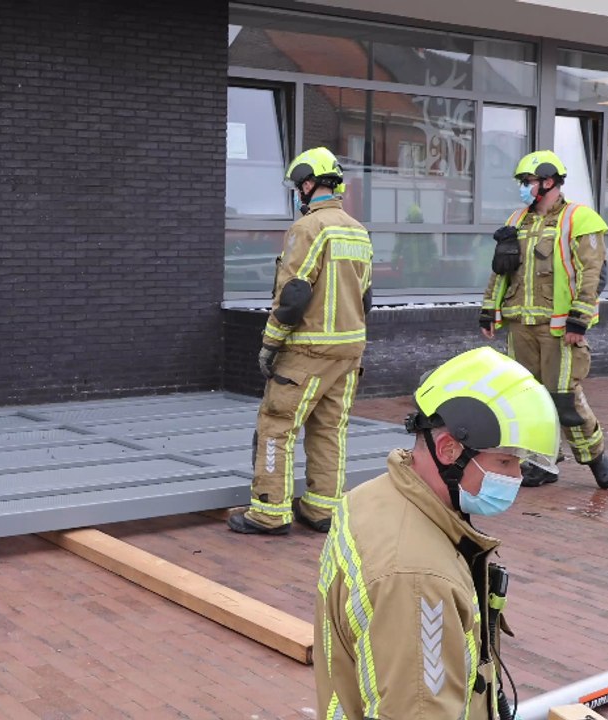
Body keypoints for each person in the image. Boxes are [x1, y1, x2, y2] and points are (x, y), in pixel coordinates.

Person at [315, 346, 559, 720]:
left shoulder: (374, 496)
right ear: (449, 449)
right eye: (506, 461)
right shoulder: (417, 579)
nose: (517, 477)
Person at [227, 147, 373, 536]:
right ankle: (323, 509)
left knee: (276, 424)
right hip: (349, 349)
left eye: (298, 186)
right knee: (329, 429)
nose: (297, 193)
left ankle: (270, 512)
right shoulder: (357, 230)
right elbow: (366, 297)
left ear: (310, 184)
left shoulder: (308, 228)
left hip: (308, 349)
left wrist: (270, 344)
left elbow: (293, 293)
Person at [480, 150, 608, 490]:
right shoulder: (516, 221)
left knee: (564, 398)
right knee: (528, 398)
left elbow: (590, 275)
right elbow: (501, 274)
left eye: (527, 182)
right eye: (522, 183)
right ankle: (542, 463)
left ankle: (596, 457)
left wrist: (578, 321)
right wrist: (488, 311)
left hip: (559, 329)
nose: (523, 189)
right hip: (520, 325)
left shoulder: (579, 219)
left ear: (549, 182)